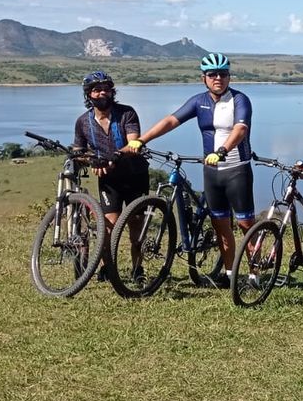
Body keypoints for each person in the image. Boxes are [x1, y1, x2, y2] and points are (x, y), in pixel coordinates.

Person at [128, 53, 254, 285]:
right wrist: (142, 140)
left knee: (246, 224)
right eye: (212, 74)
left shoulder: (239, 100)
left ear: (229, 76)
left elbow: (240, 129)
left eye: (223, 74)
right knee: (220, 224)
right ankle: (229, 275)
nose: (218, 78)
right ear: (203, 78)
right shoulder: (199, 101)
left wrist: (222, 151)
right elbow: (170, 121)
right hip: (212, 170)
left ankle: (255, 275)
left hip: (236, 168)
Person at [71, 71, 149, 279]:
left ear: (112, 91)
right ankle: (107, 268)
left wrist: (114, 157)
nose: (102, 93)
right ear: (88, 94)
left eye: (106, 89)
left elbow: (134, 143)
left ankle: (137, 269)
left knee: (136, 227)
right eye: (97, 90)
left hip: (135, 175)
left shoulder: (126, 113)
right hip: (109, 180)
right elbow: (79, 152)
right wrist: (92, 160)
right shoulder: (83, 122)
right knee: (107, 226)